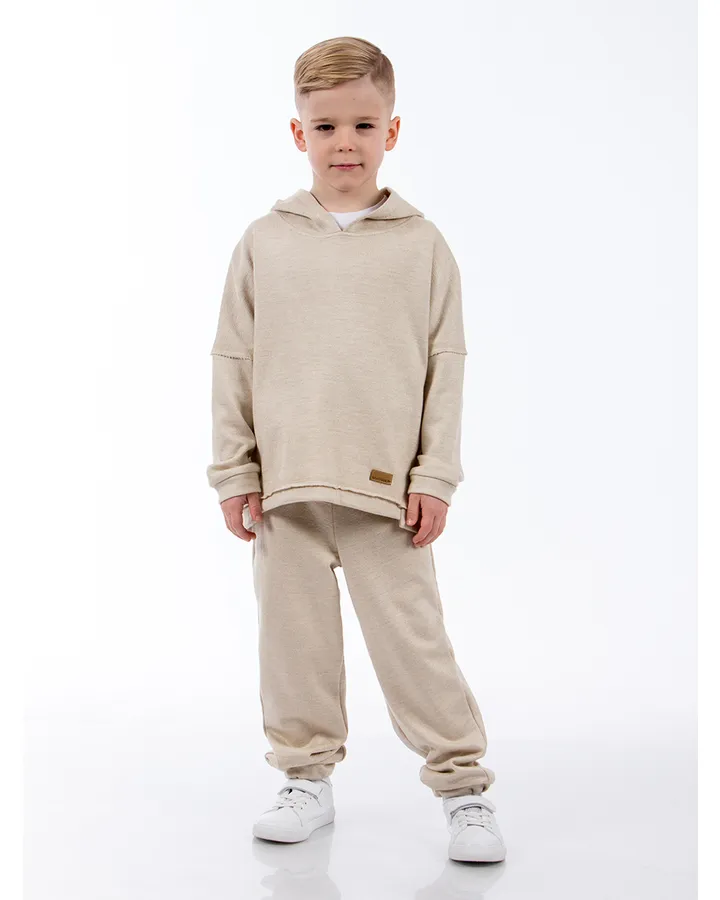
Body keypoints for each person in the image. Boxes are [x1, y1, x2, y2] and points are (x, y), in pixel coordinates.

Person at [206, 35, 506, 864]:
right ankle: (305, 778)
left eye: (364, 125)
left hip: (386, 496)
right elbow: (232, 358)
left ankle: (464, 788)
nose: (346, 142)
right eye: (327, 126)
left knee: (415, 648)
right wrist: (234, 471)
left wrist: (435, 474)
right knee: (293, 648)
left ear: (392, 132)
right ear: (298, 133)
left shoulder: (422, 245)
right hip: (286, 490)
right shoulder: (264, 241)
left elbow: (446, 365)